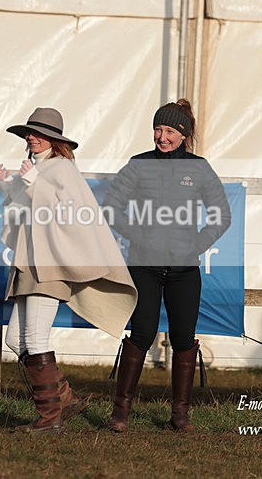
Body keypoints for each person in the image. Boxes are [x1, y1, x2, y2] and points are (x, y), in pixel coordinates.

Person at [0, 107, 137, 433]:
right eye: (29, 133)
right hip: (29, 265)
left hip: (51, 266)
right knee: (16, 340)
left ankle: (49, 418)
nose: (31, 137)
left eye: (38, 133)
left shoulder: (62, 170)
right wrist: (10, 188)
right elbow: (25, 214)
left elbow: (67, 214)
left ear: (54, 140)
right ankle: (66, 399)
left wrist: (32, 184)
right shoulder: (39, 169)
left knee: (33, 337)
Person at [102, 98, 231, 432]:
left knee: (183, 338)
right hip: (144, 266)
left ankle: (180, 415)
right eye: (158, 129)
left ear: (183, 134)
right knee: (141, 333)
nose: (162, 136)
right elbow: (111, 206)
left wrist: (197, 243)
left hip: (184, 270)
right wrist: (137, 235)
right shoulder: (138, 164)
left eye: (169, 130)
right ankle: (120, 413)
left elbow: (221, 215)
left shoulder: (199, 168)